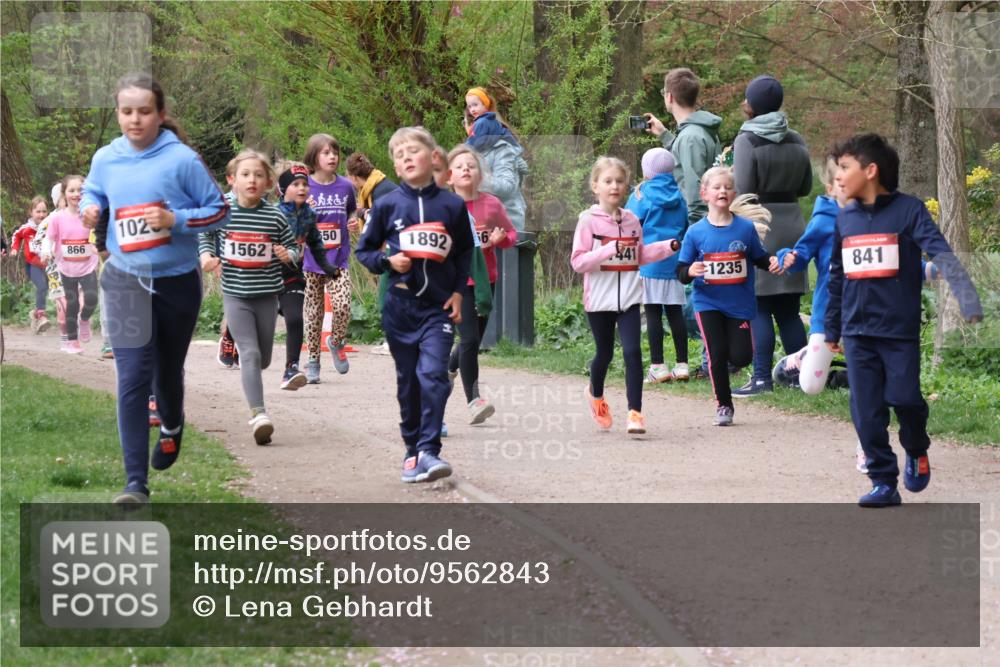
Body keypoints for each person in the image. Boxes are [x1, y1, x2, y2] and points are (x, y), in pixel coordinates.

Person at [81, 73, 230, 504]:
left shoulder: (182, 159)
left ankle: (172, 423)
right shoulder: (106, 158)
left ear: (160, 114)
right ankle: (135, 483)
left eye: (144, 111)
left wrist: (175, 221)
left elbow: (219, 210)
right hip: (125, 278)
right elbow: (94, 191)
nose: (135, 119)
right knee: (131, 377)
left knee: (166, 372)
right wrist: (91, 209)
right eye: (127, 112)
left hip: (176, 282)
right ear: (117, 114)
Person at [824, 134, 983, 507]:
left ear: (871, 170)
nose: (839, 176)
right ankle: (883, 481)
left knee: (905, 399)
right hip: (857, 331)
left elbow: (940, 252)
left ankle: (916, 446)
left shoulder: (909, 211)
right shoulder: (844, 219)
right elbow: (836, 276)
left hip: (898, 332)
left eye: (845, 168)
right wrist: (831, 328)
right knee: (866, 411)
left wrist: (967, 295)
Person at [355, 126, 474, 483]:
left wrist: (456, 292)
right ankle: (411, 452)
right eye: (398, 155)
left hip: (437, 309)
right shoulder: (388, 204)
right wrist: (387, 263)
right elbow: (363, 250)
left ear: (434, 157)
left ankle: (429, 450)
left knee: (434, 376)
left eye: (413, 151)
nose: (406, 158)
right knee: (409, 383)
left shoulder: (452, 205)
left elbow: (466, 250)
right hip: (400, 308)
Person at [571, 156, 680, 435]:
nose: (614, 186)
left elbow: (639, 255)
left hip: (630, 297)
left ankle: (635, 414)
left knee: (633, 353)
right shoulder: (588, 221)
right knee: (604, 354)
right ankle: (595, 395)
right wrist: (609, 250)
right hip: (599, 300)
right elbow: (579, 262)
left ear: (627, 185)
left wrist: (668, 247)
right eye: (607, 181)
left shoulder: (632, 220)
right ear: (595, 186)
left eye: (619, 181)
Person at [199, 150, 298, 444]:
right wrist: (206, 255)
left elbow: (293, 249)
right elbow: (205, 234)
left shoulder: (274, 215)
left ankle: (238, 352)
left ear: (268, 182)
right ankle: (259, 414)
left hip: (267, 295)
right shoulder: (221, 210)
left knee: (263, 358)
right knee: (251, 355)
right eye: (245, 175)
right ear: (232, 180)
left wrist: (287, 254)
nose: (251, 180)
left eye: (258, 175)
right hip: (236, 295)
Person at [676, 167, 779, 426]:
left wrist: (773, 263)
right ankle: (724, 405)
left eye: (727, 187)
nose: (722, 191)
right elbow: (680, 271)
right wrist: (691, 270)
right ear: (704, 193)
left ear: (734, 193)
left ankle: (730, 380)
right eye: (716, 187)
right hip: (708, 302)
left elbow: (759, 257)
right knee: (717, 353)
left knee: (742, 356)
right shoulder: (696, 232)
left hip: (739, 304)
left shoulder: (744, 229)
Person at [731, 75, 813, 397]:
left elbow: (744, 191)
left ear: (751, 104)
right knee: (789, 309)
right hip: (793, 221)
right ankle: (801, 378)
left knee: (759, 305)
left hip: (760, 223)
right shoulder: (797, 139)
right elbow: (806, 187)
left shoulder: (746, 140)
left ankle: (762, 378)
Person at [446, 144, 515, 424]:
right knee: (471, 340)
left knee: (471, 342)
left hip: (487, 281)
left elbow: (510, 233)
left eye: (471, 166)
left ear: (480, 174)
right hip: (457, 282)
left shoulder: (492, 204)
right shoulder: (444, 207)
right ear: (449, 176)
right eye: (460, 166)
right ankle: (474, 400)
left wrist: (500, 240)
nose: (466, 169)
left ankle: (450, 368)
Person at [625, 148, 690, 383]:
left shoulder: (641, 195)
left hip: (650, 262)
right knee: (675, 314)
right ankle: (682, 365)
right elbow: (684, 224)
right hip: (675, 261)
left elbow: (630, 223)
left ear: (647, 170)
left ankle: (658, 366)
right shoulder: (679, 195)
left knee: (653, 313)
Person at [275, 162, 340, 390]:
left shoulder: (310, 215)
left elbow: (316, 245)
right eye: (295, 184)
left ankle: (290, 369)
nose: (302, 188)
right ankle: (230, 335)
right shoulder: (273, 214)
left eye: (305, 184)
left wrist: (328, 268)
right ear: (283, 189)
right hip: (264, 278)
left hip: (292, 276)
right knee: (253, 325)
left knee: (295, 319)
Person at [302, 133, 356, 383]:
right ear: (314, 157)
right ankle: (313, 359)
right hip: (313, 260)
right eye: (326, 152)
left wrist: (354, 221)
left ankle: (336, 341)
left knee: (343, 304)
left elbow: (351, 211)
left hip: (338, 259)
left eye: (335, 152)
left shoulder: (346, 186)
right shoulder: (304, 186)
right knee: (313, 312)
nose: (332, 156)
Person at [644, 67, 722, 226]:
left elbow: (695, 195)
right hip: (711, 219)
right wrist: (664, 134)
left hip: (700, 225)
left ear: (669, 96)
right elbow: (684, 160)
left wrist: (694, 236)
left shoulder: (690, 138)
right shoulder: (701, 129)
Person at [42, 175, 99, 354]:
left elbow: (99, 234)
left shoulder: (90, 214)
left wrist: (99, 245)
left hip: (88, 265)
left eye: (80, 190)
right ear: (64, 194)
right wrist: (46, 250)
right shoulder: (58, 218)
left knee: (91, 299)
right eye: (71, 190)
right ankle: (73, 342)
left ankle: (84, 320)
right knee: (72, 304)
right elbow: (48, 238)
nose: (76, 194)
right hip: (66, 268)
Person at [11, 196, 52, 334]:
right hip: (32, 264)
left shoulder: (49, 226)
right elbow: (16, 236)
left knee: (46, 288)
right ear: (31, 212)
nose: (41, 214)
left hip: (47, 263)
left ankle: (35, 313)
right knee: (41, 286)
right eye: (38, 211)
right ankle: (41, 316)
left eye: (44, 211)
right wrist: (14, 248)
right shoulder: (26, 228)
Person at [464, 86, 520, 153]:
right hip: (512, 152)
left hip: (505, 155)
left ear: (485, 104)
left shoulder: (482, 122)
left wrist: (462, 151)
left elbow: (474, 143)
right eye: (469, 107)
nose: (472, 109)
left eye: (475, 105)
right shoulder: (491, 120)